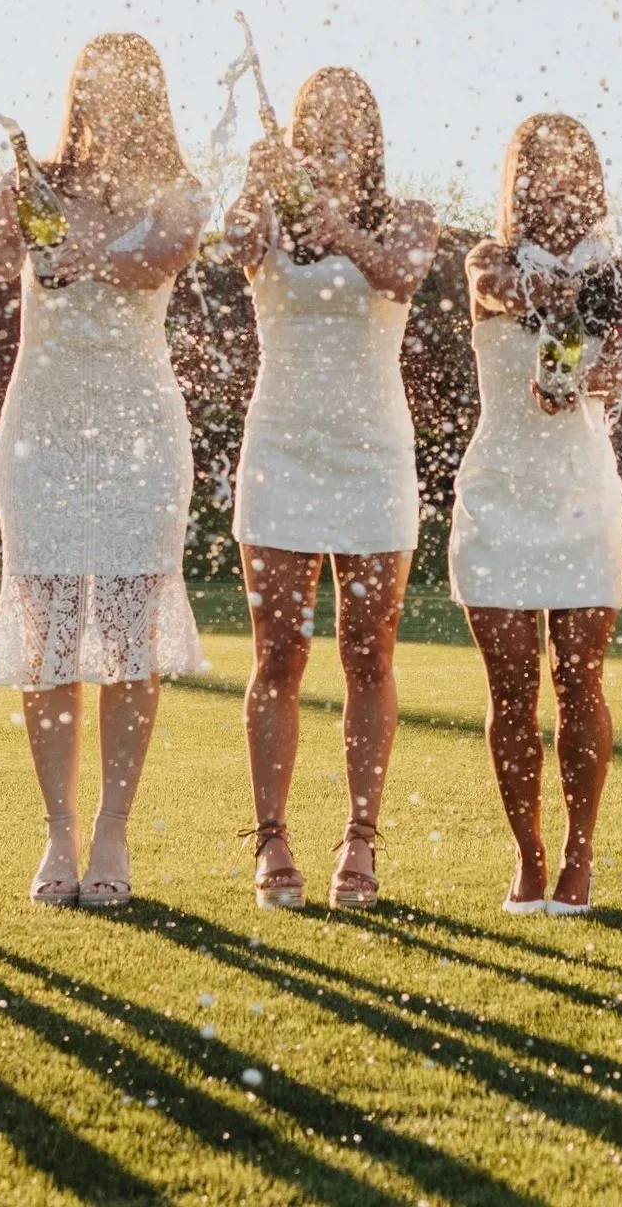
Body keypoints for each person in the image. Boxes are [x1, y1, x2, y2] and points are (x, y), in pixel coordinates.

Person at [0, 34, 209, 912]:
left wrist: (74, 246)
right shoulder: (34, 180)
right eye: (94, 89)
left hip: (137, 427)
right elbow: (4, 263)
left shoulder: (180, 193)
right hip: (42, 424)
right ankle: (58, 830)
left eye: (125, 90)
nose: (106, 104)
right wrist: (11, 223)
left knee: (126, 630)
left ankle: (114, 825)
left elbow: (156, 260)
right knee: (47, 631)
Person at [223, 66, 439, 910]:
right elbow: (235, 247)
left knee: (366, 651)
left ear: (374, 135)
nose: (335, 133)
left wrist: (340, 226)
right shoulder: (267, 210)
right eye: (319, 120)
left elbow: (404, 276)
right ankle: (270, 835)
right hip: (282, 445)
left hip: (372, 454)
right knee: (279, 650)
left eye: (352, 119)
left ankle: (360, 837)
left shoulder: (407, 217)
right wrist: (254, 192)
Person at [451, 114, 622, 916]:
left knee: (579, 681)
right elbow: (505, 292)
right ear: (521, 179)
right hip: (500, 489)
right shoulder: (488, 260)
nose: (561, 182)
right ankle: (528, 855)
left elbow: (618, 384)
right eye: (543, 167)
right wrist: (578, 293)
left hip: (579, 489)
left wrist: (604, 358)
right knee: (511, 694)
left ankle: (580, 853)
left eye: (576, 167)